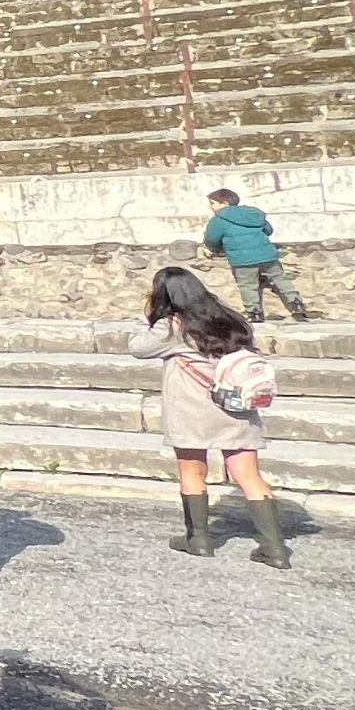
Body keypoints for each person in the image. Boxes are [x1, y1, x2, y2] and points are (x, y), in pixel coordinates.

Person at [133, 266, 290, 568]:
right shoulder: (229, 318)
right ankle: (275, 547)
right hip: (235, 407)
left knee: (193, 473)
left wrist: (145, 318)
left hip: (192, 410)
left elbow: (138, 348)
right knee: (248, 476)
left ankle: (199, 539)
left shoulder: (172, 326)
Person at [202, 187, 308, 322]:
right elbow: (268, 230)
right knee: (280, 279)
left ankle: (255, 313)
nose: (210, 207)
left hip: (242, 260)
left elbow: (212, 239)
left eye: (213, 203)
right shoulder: (252, 214)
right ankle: (297, 305)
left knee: (248, 285)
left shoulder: (218, 220)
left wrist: (216, 249)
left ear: (224, 203)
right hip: (267, 255)